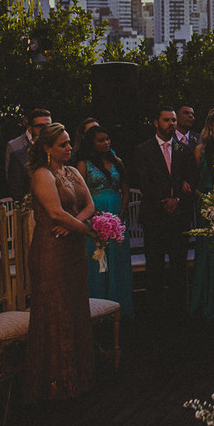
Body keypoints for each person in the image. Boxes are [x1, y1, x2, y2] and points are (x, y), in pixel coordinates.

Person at [22, 123, 98, 402]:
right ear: (47, 148)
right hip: (50, 251)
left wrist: (74, 225)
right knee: (56, 312)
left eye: (69, 143)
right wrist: (89, 231)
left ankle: (78, 380)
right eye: (63, 145)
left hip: (73, 249)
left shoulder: (74, 172)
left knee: (76, 307)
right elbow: (54, 212)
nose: (69, 148)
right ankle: (53, 385)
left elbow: (89, 205)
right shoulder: (42, 175)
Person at [131, 105, 196, 320]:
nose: (171, 124)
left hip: (178, 217)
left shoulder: (183, 149)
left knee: (178, 267)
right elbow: (143, 182)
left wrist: (177, 200)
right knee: (155, 267)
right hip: (154, 217)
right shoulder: (144, 149)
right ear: (156, 122)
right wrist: (164, 202)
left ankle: (179, 313)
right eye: (167, 120)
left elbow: (190, 179)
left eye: (174, 120)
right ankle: (155, 314)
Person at [76, 125, 133, 316]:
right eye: (101, 140)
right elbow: (80, 194)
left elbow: (125, 190)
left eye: (108, 139)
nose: (106, 143)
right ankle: (96, 310)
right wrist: (93, 218)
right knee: (98, 261)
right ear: (91, 143)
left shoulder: (117, 162)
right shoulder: (84, 164)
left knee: (118, 261)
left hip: (116, 214)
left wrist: (121, 215)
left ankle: (119, 307)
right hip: (94, 215)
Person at [190, 108, 214, 321]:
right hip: (207, 202)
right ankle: (207, 301)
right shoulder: (200, 150)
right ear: (210, 125)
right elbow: (197, 178)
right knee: (209, 251)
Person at [5, 107, 50, 200]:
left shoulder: (58, 148)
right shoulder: (17, 151)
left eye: (48, 126)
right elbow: (16, 188)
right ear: (30, 129)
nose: (45, 130)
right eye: (40, 126)